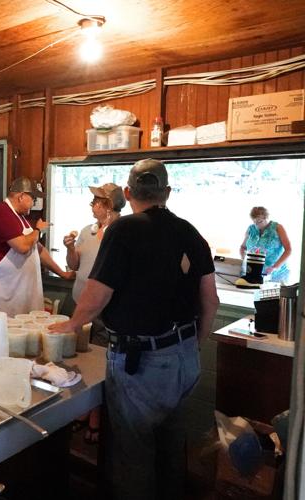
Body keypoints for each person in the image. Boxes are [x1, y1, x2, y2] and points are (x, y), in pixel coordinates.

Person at [49, 159, 219, 500]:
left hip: (142, 362)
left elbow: (97, 295)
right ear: (167, 193)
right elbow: (210, 301)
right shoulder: (191, 232)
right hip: (184, 358)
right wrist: (192, 344)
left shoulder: (124, 230)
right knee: (171, 448)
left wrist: (70, 324)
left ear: (128, 193)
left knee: (133, 455)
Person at [62, 182, 125, 445]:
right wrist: (69, 248)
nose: (92, 205)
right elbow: (74, 265)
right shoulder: (89, 231)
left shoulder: (121, 232)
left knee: (99, 363)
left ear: (108, 206)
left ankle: (95, 417)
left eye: (96, 201)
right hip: (80, 303)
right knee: (80, 360)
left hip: (104, 308)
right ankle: (83, 409)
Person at [0, 177, 73, 316]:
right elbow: (22, 247)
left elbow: (38, 250)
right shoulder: (1, 212)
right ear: (21, 196)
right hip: (1, 285)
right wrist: (38, 230)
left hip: (17, 288)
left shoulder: (20, 217)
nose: (34, 203)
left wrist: (62, 274)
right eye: (33, 198)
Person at [240, 206, 291, 283]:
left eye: (260, 221)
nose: (257, 224)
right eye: (254, 222)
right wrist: (244, 259)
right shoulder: (251, 229)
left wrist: (275, 267)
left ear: (266, 217)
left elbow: (288, 249)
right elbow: (243, 247)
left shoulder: (277, 227)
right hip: (255, 274)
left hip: (277, 274)